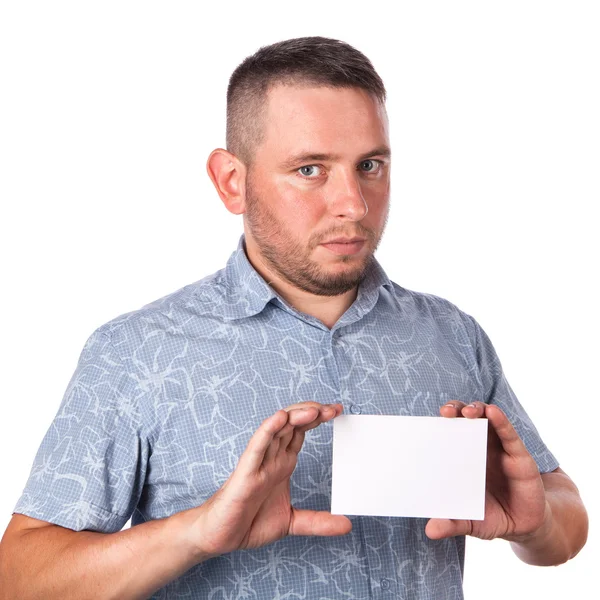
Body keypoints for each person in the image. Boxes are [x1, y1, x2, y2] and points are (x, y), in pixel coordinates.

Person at [0, 36, 588, 600]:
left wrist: (534, 526)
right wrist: (196, 532)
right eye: (310, 169)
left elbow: (562, 518)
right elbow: (20, 580)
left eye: (371, 165)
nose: (353, 204)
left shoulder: (452, 335)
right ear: (232, 181)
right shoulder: (138, 351)